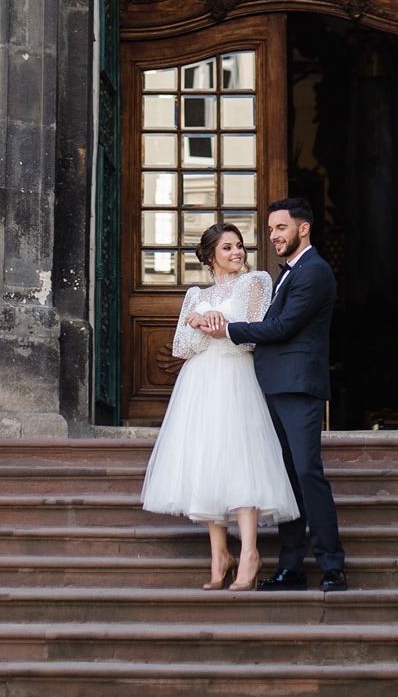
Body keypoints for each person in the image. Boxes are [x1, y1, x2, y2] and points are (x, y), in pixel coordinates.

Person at [196, 197, 348, 592]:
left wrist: (228, 330)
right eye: (270, 230)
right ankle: (292, 566)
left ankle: (332, 566)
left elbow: (282, 327)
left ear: (303, 228)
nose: (273, 236)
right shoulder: (286, 273)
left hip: (298, 385)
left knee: (307, 474)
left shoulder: (314, 272)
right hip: (273, 385)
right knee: (288, 480)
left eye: (281, 228)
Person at [140, 221, 298, 590]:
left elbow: (254, 336)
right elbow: (182, 348)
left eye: (239, 245)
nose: (237, 252)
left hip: (236, 376)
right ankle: (219, 555)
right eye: (227, 247)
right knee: (206, 461)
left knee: (240, 459)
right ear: (211, 256)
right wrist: (196, 322)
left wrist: (221, 324)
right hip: (199, 382)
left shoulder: (256, 282)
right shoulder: (195, 294)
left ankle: (250, 554)